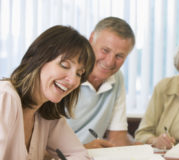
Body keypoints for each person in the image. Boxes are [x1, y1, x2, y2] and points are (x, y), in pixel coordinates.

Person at [0, 25, 95, 160]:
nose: (73, 80)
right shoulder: (5, 97)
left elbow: (79, 154)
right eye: (65, 65)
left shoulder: (47, 114)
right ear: (38, 59)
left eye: (79, 74)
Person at [66, 17, 136, 149]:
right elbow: (39, 143)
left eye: (119, 56)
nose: (109, 62)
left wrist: (150, 146)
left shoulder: (117, 78)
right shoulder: (67, 74)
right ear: (91, 39)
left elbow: (118, 138)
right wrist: (83, 148)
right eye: (105, 50)